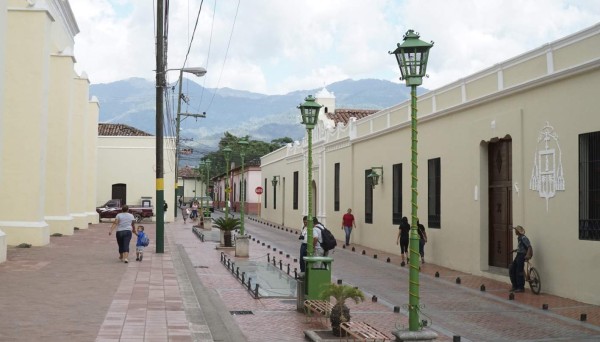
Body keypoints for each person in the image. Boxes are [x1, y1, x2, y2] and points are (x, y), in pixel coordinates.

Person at [509, 225, 532, 293]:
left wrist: (527, 255)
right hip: (519, 254)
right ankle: (515, 286)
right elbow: (521, 247)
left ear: (518, 231)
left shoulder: (524, 238)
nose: (515, 231)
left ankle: (520, 287)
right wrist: (515, 250)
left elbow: (529, 247)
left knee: (519, 271)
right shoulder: (519, 238)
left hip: (522, 255)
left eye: (516, 230)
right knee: (512, 269)